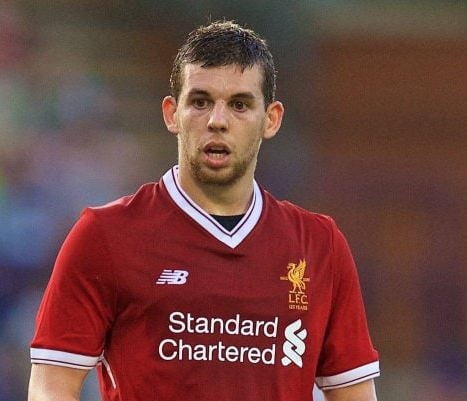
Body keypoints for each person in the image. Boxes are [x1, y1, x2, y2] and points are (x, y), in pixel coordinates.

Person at [28, 20, 380, 401]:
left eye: (240, 105)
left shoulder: (319, 245)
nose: (217, 121)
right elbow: (51, 387)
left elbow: (354, 392)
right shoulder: (104, 235)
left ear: (272, 119)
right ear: (171, 113)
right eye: (200, 101)